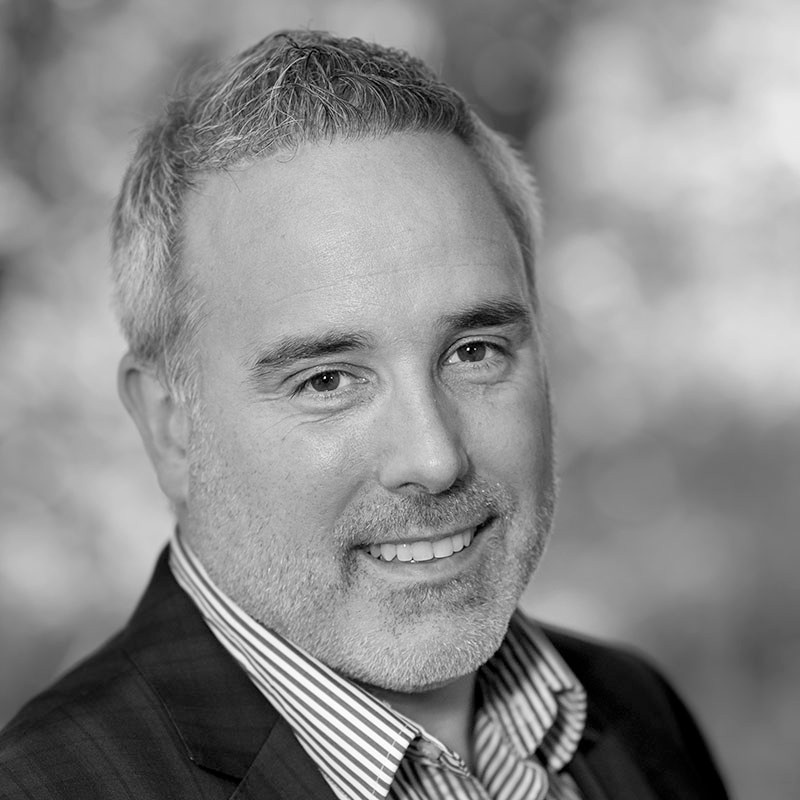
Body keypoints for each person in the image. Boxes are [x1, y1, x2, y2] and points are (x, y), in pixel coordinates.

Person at [0, 29, 729, 800]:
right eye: (327, 380)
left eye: (474, 351)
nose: (434, 458)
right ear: (170, 427)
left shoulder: (636, 711)